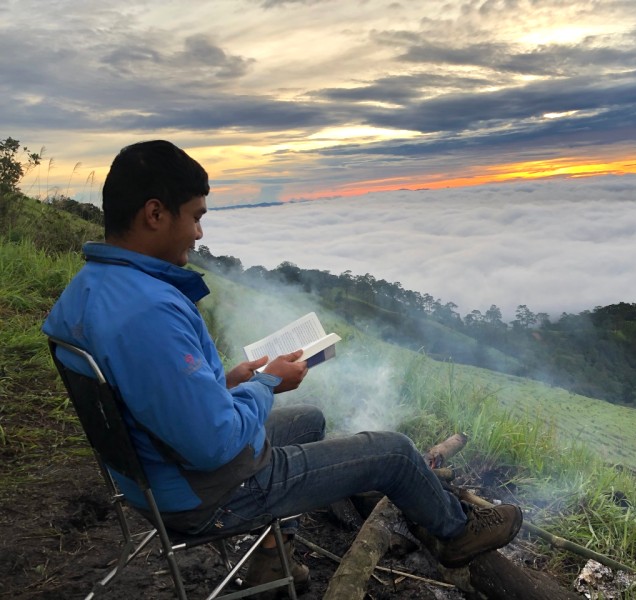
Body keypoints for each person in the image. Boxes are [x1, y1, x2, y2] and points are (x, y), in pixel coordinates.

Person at [43, 140, 522, 595]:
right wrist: (268, 382)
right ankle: (456, 534)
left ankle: (273, 556)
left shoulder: (90, 290)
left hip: (145, 480)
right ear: (155, 213)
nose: (198, 233)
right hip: (208, 494)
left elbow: (148, 391)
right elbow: (212, 447)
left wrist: (227, 382)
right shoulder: (150, 311)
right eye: (195, 217)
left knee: (309, 418)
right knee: (393, 454)